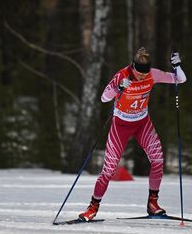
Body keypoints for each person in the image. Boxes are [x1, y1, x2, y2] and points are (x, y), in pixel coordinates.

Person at [79, 47, 186, 221]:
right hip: (121, 125)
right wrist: (118, 87)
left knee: (158, 159)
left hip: (142, 123)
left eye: (145, 75)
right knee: (109, 169)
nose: (142, 77)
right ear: (133, 67)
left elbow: (180, 79)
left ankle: (153, 203)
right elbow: (104, 98)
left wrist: (177, 66)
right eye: (139, 74)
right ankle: (92, 208)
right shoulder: (122, 75)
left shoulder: (153, 74)